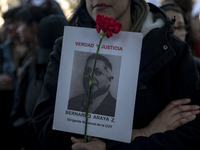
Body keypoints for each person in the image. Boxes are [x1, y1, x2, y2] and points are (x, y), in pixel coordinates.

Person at [32, 0, 200, 149]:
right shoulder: (66, 47)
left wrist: (110, 147)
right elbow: (45, 124)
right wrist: (141, 133)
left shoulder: (172, 50)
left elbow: (191, 133)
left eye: (97, 71)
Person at [160, 4, 200, 73]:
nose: (176, 34)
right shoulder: (145, 66)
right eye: (169, 27)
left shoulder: (197, 66)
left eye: (180, 27)